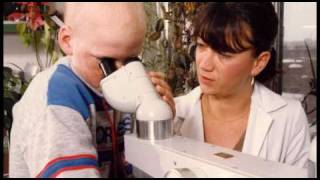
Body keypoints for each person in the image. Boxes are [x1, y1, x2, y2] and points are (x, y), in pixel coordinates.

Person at [9, 3, 175, 178]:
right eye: (107, 63)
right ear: (67, 41)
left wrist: (157, 126)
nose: (121, 73)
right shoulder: (56, 101)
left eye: (130, 61)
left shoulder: (118, 88)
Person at [173, 2, 310, 168]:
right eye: (201, 46)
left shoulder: (288, 118)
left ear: (259, 62)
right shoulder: (173, 113)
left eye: (224, 54)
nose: (204, 65)